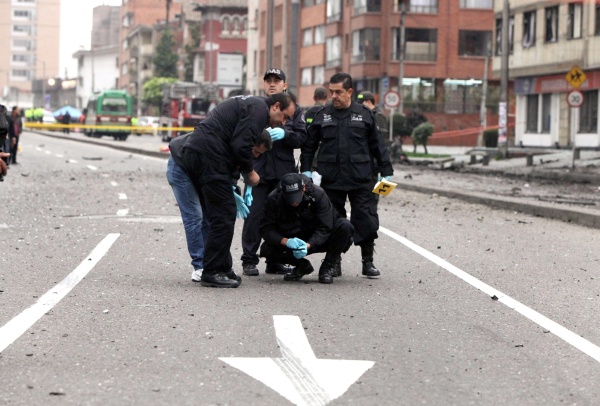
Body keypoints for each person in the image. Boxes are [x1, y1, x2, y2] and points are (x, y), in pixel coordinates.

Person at [167, 93, 296, 288]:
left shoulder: (252, 105)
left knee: (220, 214)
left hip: (207, 155)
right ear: (276, 106)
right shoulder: (259, 110)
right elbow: (241, 146)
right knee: (222, 214)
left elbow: (235, 148)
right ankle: (211, 271)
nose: (283, 123)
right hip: (208, 156)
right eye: (285, 116)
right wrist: (250, 172)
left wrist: (232, 186)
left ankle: (222, 266)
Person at [300, 73, 393, 278]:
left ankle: (367, 262)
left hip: (361, 178)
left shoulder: (364, 114)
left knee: (367, 219)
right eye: (331, 92)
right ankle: (334, 262)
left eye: (338, 92)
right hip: (331, 179)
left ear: (349, 92)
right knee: (333, 222)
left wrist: (386, 172)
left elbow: (378, 145)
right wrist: (305, 171)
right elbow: (309, 146)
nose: (334, 96)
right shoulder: (323, 115)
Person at [167, 129, 273, 286]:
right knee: (195, 216)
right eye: (256, 151)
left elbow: (231, 174)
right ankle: (200, 266)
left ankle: (215, 265)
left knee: (211, 217)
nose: (256, 157)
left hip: (202, 171)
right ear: (249, 144)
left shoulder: (241, 151)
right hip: (182, 167)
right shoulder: (225, 145)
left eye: (260, 154)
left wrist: (232, 189)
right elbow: (218, 171)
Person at [240, 68, 308, 277]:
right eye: (268, 80)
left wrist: (285, 133)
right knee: (253, 217)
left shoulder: (293, 110)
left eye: (276, 81)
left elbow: (302, 138)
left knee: (283, 218)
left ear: (284, 85)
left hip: (282, 172)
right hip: (258, 172)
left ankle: (275, 259)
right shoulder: (256, 107)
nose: (272, 84)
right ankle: (249, 260)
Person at [259, 173, 354, 284]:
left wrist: (309, 245)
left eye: (296, 196)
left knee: (345, 226)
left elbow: (325, 227)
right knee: (266, 249)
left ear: (303, 188)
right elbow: (266, 229)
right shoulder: (274, 199)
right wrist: (286, 241)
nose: (294, 202)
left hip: (318, 237)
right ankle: (301, 265)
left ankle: (327, 267)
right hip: (293, 238)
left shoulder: (318, 194)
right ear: (282, 192)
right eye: (290, 198)